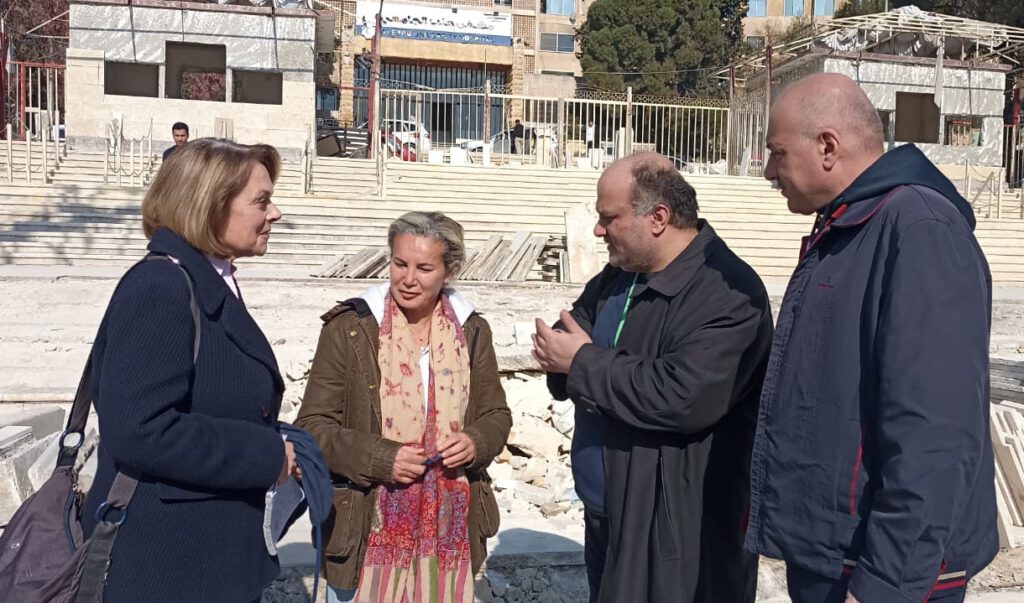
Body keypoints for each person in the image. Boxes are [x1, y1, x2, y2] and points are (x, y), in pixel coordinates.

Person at [744, 73, 997, 603]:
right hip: (833, 553)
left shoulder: (920, 230)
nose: (769, 172)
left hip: (881, 573)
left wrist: (885, 584)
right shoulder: (848, 225)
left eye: (776, 153)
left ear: (828, 147)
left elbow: (935, 432)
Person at [533, 152, 774, 603]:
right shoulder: (619, 277)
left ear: (658, 217)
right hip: (609, 514)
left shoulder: (728, 292)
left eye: (609, 218)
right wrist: (572, 362)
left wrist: (584, 363)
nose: (598, 230)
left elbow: (681, 395)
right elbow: (570, 335)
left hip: (677, 532)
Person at [81, 139, 297, 602]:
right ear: (210, 206)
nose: (274, 212)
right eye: (260, 201)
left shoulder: (208, 279)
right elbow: (141, 431)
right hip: (169, 566)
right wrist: (266, 456)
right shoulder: (161, 287)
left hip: (209, 555)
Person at [295, 211, 512, 603]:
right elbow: (312, 426)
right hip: (363, 528)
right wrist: (382, 458)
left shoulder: (472, 330)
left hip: (449, 530)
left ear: (450, 271)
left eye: (424, 268)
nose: (408, 279)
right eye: (400, 264)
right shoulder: (351, 328)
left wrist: (475, 442)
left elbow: (497, 415)